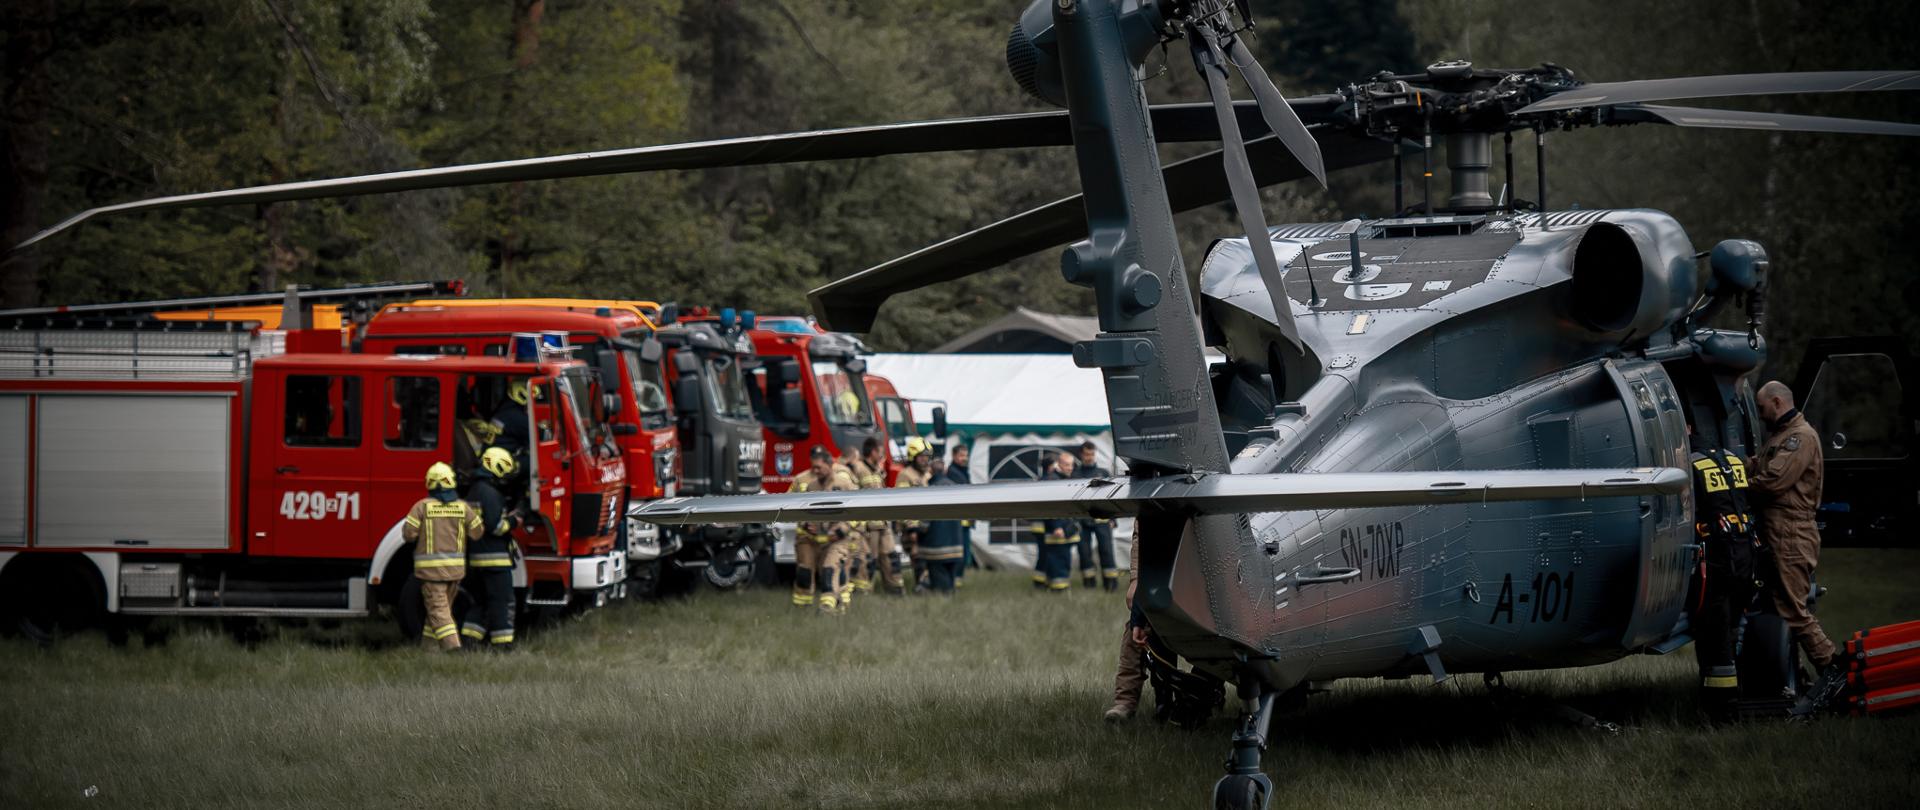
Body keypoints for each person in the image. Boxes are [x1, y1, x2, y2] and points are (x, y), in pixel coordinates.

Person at [1749, 380, 1837, 672]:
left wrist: (1735, 487)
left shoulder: (1799, 438)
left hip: (1790, 532)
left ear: (1777, 402)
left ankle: (1836, 675)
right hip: (1780, 531)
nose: (1760, 414)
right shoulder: (1781, 437)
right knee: (1781, 607)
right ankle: (1796, 678)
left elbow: (1773, 482)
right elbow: (1760, 465)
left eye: (1762, 408)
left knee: (1794, 610)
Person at [1686, 428, 1759, 722]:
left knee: (1713, 628)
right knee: (1732, 627)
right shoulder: (1733, 459)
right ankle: (1738, 692)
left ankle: (1720, 708)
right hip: (1744, 552)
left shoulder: (1689, 463)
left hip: (1717, 556)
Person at [404, 462, 484, 651]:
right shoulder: (463, 507)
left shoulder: (421, 507)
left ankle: (454, 650)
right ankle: (429, 650)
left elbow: (409, 535)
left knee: (439, 612)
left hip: (432, 573)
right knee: (441, 611)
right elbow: (477, 532)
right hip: (455, 572)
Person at [461, 447, 525, 651]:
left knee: (481, 604)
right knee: (502, 603)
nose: (506, 480)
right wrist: (515, 520)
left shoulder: (475, 490)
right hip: (495, 561)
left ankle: (469, 643)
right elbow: (496, 527)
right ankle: (503, 646)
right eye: (504, 474)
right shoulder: (490, 494)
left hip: (477, 559)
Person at [791, 446, 861, 613]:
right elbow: (801, 512)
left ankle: (828, 608)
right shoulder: (811, 486)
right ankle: (805, 609)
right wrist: (806, 525)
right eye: (813, 467)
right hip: (814, 540)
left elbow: (858, 511)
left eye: (819, 467)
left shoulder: (844, 484)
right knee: (806, 573)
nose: (815, 471)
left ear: (830, 465)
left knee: (830, 570)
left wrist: (842, 530)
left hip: (838, 539)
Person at [844, 437, 903, 595]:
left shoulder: (877, 469)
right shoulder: (858, 468)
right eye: (880, 452)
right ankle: (864, 593)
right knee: (868, 562)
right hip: (868, 527)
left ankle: (895, 590)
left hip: (882, 524)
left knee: (892, 558)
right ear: (872, 452)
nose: (883, 455)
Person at [1106, 526, 1149, 721]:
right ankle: (1125, 702)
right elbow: (1142, 534)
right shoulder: (1152, 505)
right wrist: (1136, 580)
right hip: (1165, 578)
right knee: (1134, 629)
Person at [1072, 440, 1121, 591]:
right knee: (1084, 552)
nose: (1090, 457)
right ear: (1081, 455)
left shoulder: (1103, 473)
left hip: (1102, 519)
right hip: (1082, 520)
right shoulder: (1075, 475)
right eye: (1087, 454)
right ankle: (1089, 583)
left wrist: (1113, 519)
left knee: (1106, 551)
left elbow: (1111, 497)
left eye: (1092, 454)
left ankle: (1110, 584)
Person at [1034, 451, 1081, 593]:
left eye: (1071, 465)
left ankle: (1058, 588)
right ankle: (1058, 591)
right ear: (1058, 464)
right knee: (1058, 561)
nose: (1070, 468)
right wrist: (1056, 527)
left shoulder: (1064, 478)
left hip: (1066, 528)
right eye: (1067, 465)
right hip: (1057, 530)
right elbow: (1050, 508)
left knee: (1062, 560)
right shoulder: (1052, 480)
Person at [894, 437, 936, 589]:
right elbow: (903, 504)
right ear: (913, 457)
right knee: (917, 557)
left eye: (928, 457)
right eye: (922, 457)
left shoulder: (927, 475)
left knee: (927, 556)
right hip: (911, 527)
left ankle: (926, 584)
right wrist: (912, 528)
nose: (926, 461)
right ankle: (920, 586)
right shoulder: (906, 475)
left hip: (925, 525)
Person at [944, 444, 975, 588]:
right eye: (962, 455)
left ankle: (957, 584)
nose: (965, 458)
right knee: (959, 555)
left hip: (965, 521)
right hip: (958, 522)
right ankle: (954, 583)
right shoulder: (953, 472)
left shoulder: (962, 471)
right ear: (954, 456)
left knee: (964, 555)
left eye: (966, 455)